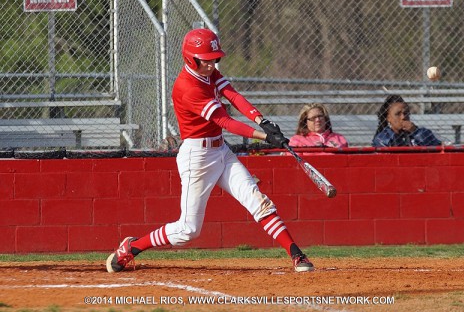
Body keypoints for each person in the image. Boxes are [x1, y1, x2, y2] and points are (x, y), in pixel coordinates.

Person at [106, 28, 314, 273]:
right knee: (188, 230)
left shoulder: (209, 72)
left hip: (221, 150)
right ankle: (132, 247)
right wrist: (264, 137)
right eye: (207, 59)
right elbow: (225, 121)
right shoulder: (188, 87)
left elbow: (232, 95)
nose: (213, 63)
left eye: (215, 58)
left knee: (257, 200)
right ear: (190, 58)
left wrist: (261, 120)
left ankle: (296, 254)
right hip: (198, 157)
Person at [372, 94, 442, 147]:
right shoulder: (382, 139)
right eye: (397, 114)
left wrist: (415, 131)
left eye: (406, 113)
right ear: (388, 118)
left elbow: (436, 146)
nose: (403, 117)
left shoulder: (419, 132)